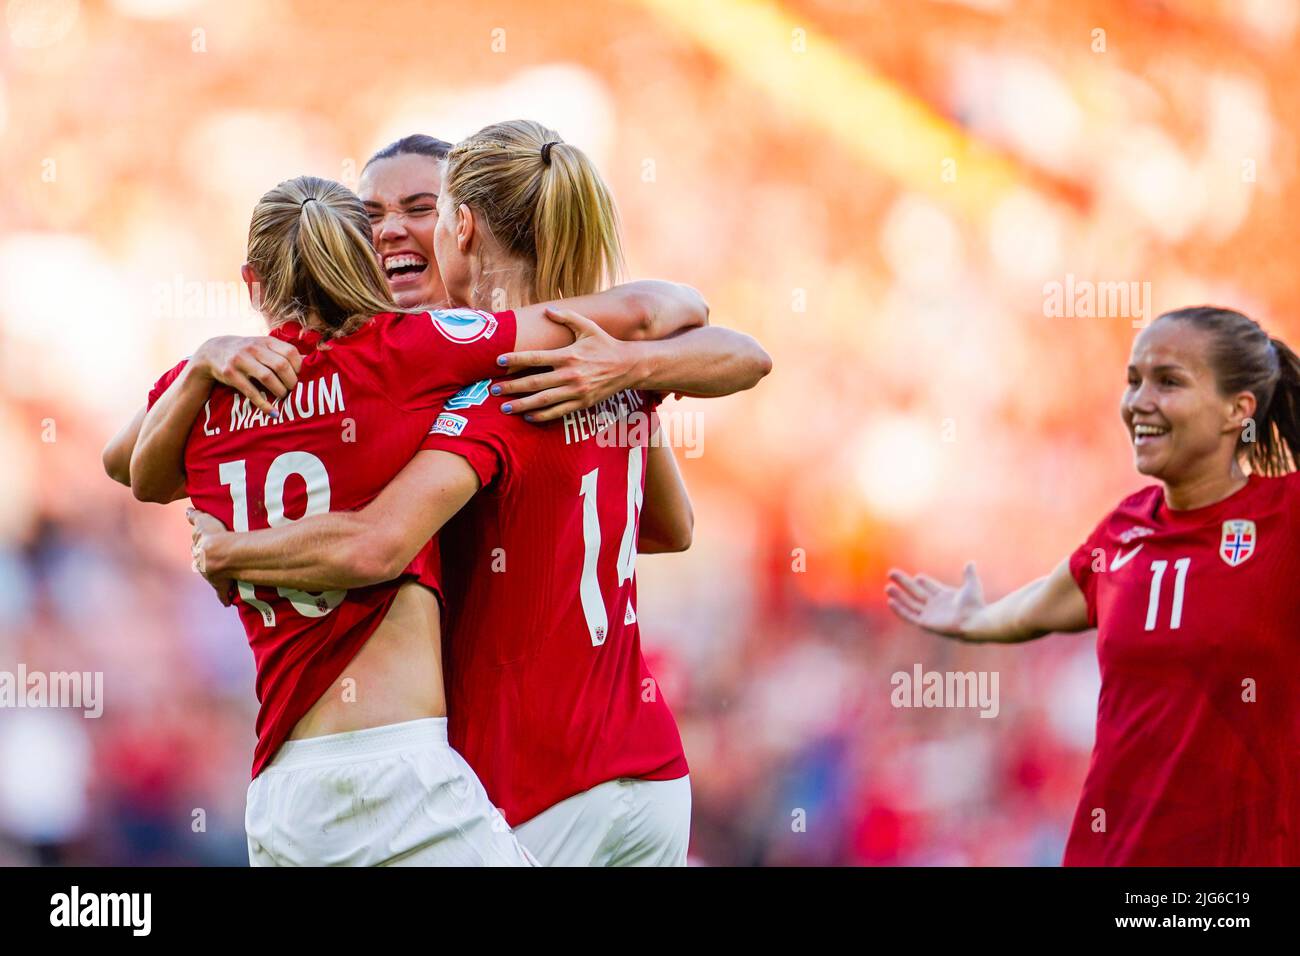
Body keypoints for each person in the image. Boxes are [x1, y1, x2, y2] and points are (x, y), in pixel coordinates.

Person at [183, 120, 772, 866]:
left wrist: (231, 549)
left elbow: (377, 543)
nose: (393, 232)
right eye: (370, 216)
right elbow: (667, 522)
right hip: (648, 770)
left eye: (420, 209)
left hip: (526, 780)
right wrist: (630, 372)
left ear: (462, 225)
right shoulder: (589, 353)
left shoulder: (473, 387)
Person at [886, 306, 1299, 866]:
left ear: (1237, 410)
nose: (1139, 402)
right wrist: (974, 619)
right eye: (1134, 381)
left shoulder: (1285, 519)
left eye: (1169, 382)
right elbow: (1042, 603)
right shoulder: (1125, 530)